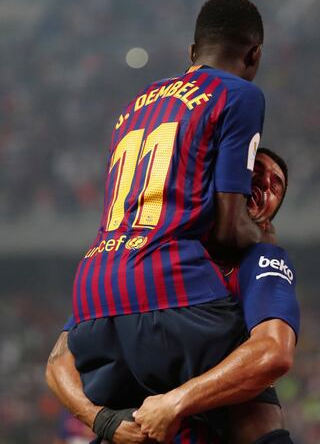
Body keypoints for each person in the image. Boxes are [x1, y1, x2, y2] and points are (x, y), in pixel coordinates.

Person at [46, 148, 299, 444]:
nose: (265, 184)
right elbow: (59, 361)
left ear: (267, 221)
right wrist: (100, 419)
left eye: (275, 185)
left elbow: (273, 351)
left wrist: (175, 402)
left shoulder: (258, 260)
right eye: (255, 170)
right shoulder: (145, 258)